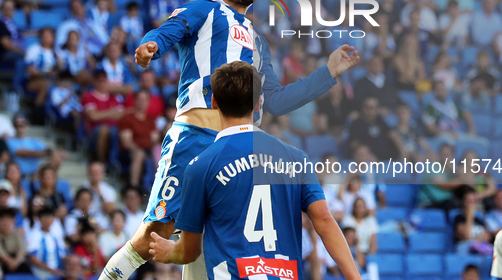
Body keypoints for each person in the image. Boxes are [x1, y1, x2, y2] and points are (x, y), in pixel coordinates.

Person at [100, 0, 360, 280]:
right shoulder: (206, 9)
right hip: (196, 137)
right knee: (156, 234)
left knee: (211, 246)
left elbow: (277, 100)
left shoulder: (257, 38)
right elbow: (171, 29)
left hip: (241, 146)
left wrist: (327, 73)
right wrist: (152, 45)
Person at [147, 61, 362, 280]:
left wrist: (168, 251)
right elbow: (324, 221)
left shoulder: (200, 166)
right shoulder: (296, 158)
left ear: (213, 103)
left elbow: (189, 251)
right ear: (258, 103)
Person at [0, 208, 31, 274]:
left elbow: (22, 250)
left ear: (14, 222)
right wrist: (12, 262)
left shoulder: (16, 233)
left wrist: (17, 261)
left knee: (26, 269)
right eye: (3, 220)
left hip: (17, 262)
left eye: (9, 221)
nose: (6, 223)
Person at [27, 207, 66, 280]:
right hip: (39, 271)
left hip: (57, 270)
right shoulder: (33, 234)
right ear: (39, 219)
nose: (48, 220)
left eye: (50, 218)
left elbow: (63, 255)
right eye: (45, 217)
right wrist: (51, 270)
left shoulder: (56, 236)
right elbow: (32, 258)